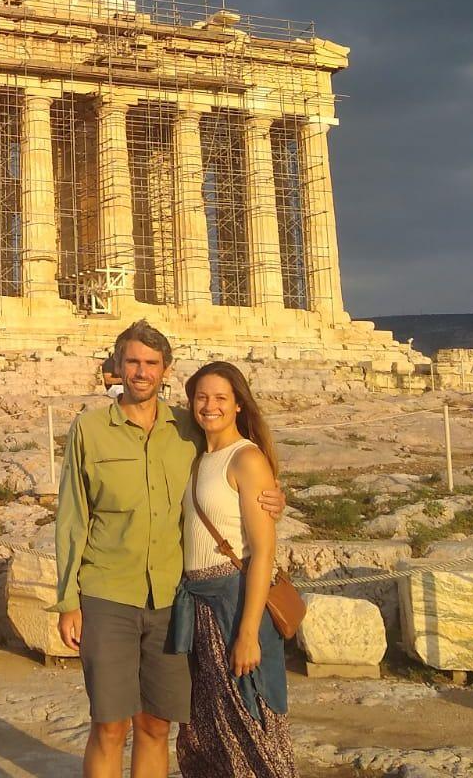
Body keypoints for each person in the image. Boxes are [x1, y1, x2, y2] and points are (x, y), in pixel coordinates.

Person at [54, 321, 285, 778]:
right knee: (109, 725)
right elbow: (71, 517)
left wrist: (276, 497)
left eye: (152, 364)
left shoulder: (187, 428)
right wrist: (67, 603)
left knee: (157, 725)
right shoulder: (90, 428)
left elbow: (236, 464)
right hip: (107, 594)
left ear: (166, 371)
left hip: (169, 600)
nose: (141, 372)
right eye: (133, 361)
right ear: (117, 365)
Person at [171, 362, 295, 777]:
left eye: (221, 397)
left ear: (238, 404)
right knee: (209, 732)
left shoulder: (246, 458)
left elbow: (263, 551)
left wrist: (247, 633)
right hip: (199, 608)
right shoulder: (197, 453)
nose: (210, 406)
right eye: (202, 397)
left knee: (251, 725)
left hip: (236, 604)